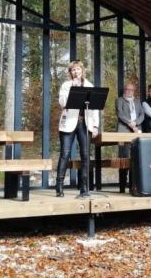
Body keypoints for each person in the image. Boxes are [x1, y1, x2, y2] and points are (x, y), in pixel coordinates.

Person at [56, 60, 99, 198]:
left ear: (82, 70)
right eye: (73, 70)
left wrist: (95, 125)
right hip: (68, 123)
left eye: (78, 69)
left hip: (84, 124)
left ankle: (84, 188)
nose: (76, 72)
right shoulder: (66, 85)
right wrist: (72, 89)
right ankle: (59, 186)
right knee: (65, 154)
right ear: (70, 72)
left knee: (85, 156)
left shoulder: (89, 85)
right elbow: (62, 103)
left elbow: (94, 109)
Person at [116, 82, 144, 185]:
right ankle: (122, 183)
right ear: (124, 90)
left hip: (137, 130)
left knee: (136, 156)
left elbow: (142, 114)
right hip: (124, 130)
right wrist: (131, 124)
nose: (129, 91)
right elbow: (120, 114)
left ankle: (134, 183)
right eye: (128, 89)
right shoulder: (119, 100)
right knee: (123, 157)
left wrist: (136, 123)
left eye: (132, 90)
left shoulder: (137, 101)